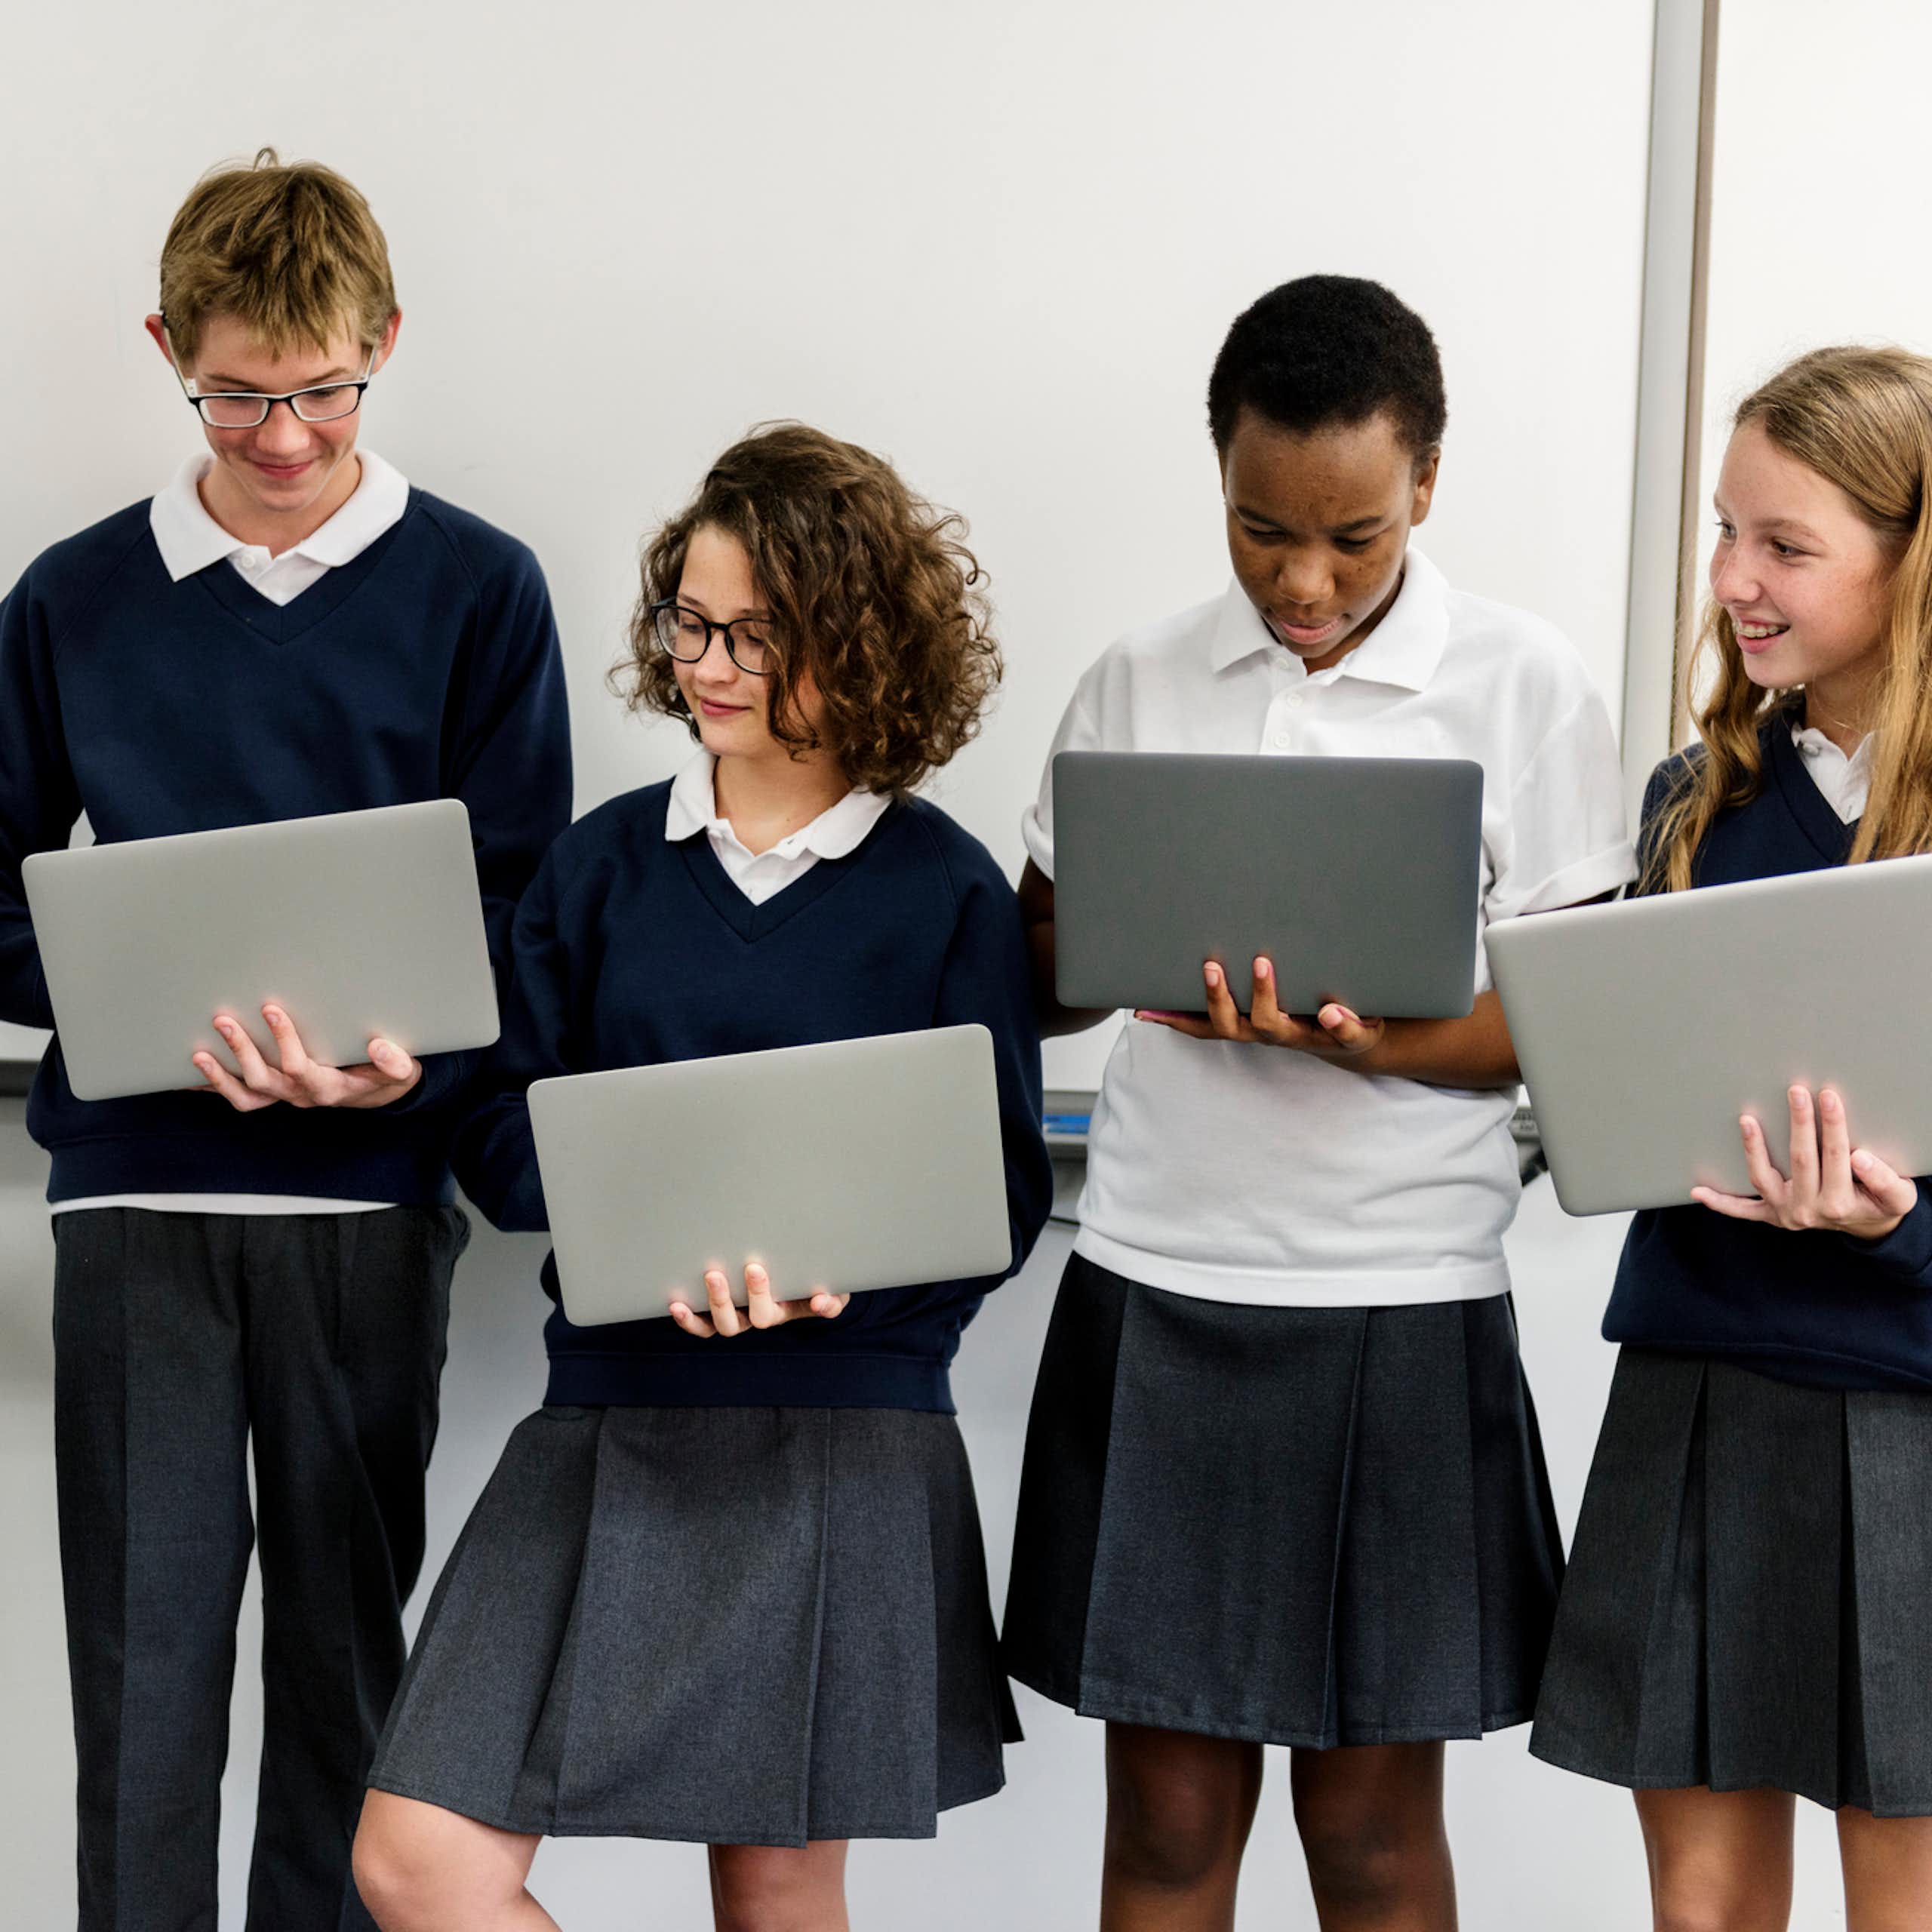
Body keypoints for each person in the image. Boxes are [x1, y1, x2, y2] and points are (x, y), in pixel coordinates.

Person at [349, 423, 1053, 1932]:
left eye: (756, 631)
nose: (711, 662)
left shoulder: (942, 887)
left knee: (776, 1886)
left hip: (842, 1428)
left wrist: (832, 1267)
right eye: (691, 620)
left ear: (861, 647)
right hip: (610, 1410)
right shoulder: (603, 866)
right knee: (417, 1859)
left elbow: (996, 1193)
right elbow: (496, 1140)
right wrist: (595, 1175)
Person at [1000, 275, 1635, 1932]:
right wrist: (1114, 941)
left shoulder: (1523, 684)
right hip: (1161, 1278)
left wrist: (1369, 1042)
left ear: (1425, 480)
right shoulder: (1136, 677)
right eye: (1257, 528)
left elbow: (1561, 1027)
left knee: (1362, 1829)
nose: (1300, 581)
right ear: (1216, 475)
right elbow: (1045, 971)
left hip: (1395, 1299)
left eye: (1349, 537)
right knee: (1162, 1817)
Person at [0, 150, 572, 1931]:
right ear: (171, 345)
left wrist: (408, 1054)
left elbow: (528, 911)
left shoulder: (477, 587)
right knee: (143, 1703)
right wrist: (131, 997)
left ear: (381, 343)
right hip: (137, 1223)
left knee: (347, 1698)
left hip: (367, 1214)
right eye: (236, 392)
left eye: (318, 390)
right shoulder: (73, 600)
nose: (279, 432)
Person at [1531, 345, 1932, 1932]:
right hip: (1696, 1387)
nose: (1728, 581)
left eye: (1782, 544)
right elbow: (1632, 1097)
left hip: (1904, 1405)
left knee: (1895, 1893)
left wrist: (1886, 1223)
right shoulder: (1689, 797)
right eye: (1721, 532)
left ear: (1907, 560)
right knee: (1697, 1903)